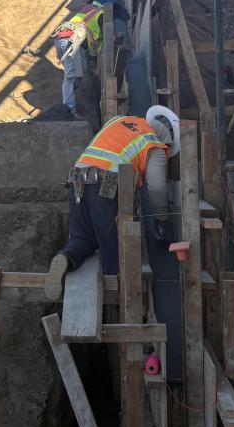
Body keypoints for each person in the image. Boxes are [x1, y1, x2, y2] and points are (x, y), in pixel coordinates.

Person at [44, 107, 179, 300]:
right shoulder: (154, 143)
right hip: (105, 187)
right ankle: (117, 302)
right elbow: (157, 188)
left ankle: (65, 257)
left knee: (83, 239)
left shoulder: (117, 120)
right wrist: (163, 220)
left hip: (77, 179)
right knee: (113, 250)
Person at [50, 0, 104, 119]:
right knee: (70, 77)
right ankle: (69, 111)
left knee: (78, 74)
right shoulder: (100, 14)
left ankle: (73, 100)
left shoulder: (86, 10)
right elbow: (96, 42)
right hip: (73, 42)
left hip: (61, 40)